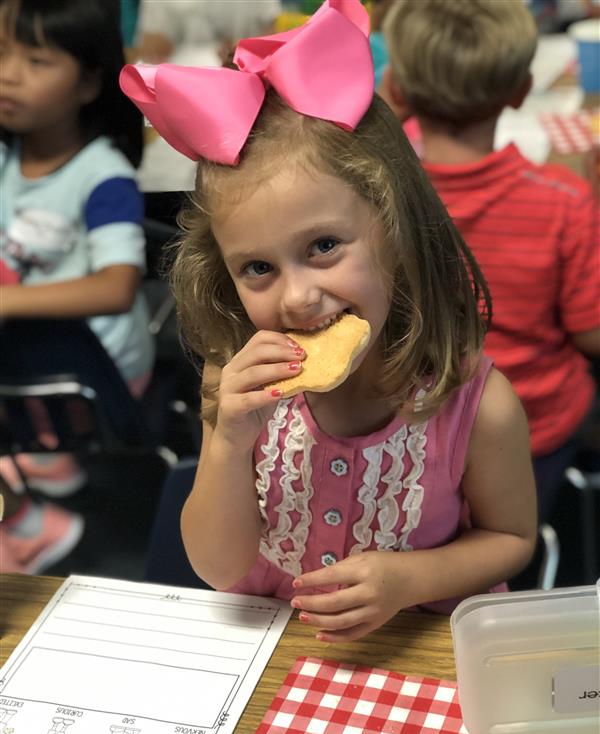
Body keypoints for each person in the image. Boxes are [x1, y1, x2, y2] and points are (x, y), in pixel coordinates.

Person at [121, 0, 537, 642]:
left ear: (396, 230)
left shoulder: (477, 405)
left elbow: (511, 538)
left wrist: (411, 579)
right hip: (276, 649)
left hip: (415, 650)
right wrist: (230, 441)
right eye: (258, 267)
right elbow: (218, 566)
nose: (296, 297)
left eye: (323, 247)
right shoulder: (236, 379)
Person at [383, 0, 600, 525]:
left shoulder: (380, 200)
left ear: (398, 90)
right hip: (538, 428)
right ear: (522, 90)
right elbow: (591, 335)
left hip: (413, 434)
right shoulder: (564, 200)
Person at [0, 0, 154, 569]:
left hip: (92, 376)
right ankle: (45, 470)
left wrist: (6, 300)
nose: (8, 74)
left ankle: (29, 523)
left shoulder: (103, 175)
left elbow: (117, 288)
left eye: (37, 61)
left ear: (90, 82)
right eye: (0, 53)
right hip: (29, 363)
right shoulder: (7, 158)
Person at [135, 0, 282, 65]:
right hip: (181, 83)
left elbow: (271, 35)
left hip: (244, 82)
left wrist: (245, 51)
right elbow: (150, 45)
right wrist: (155, 45)